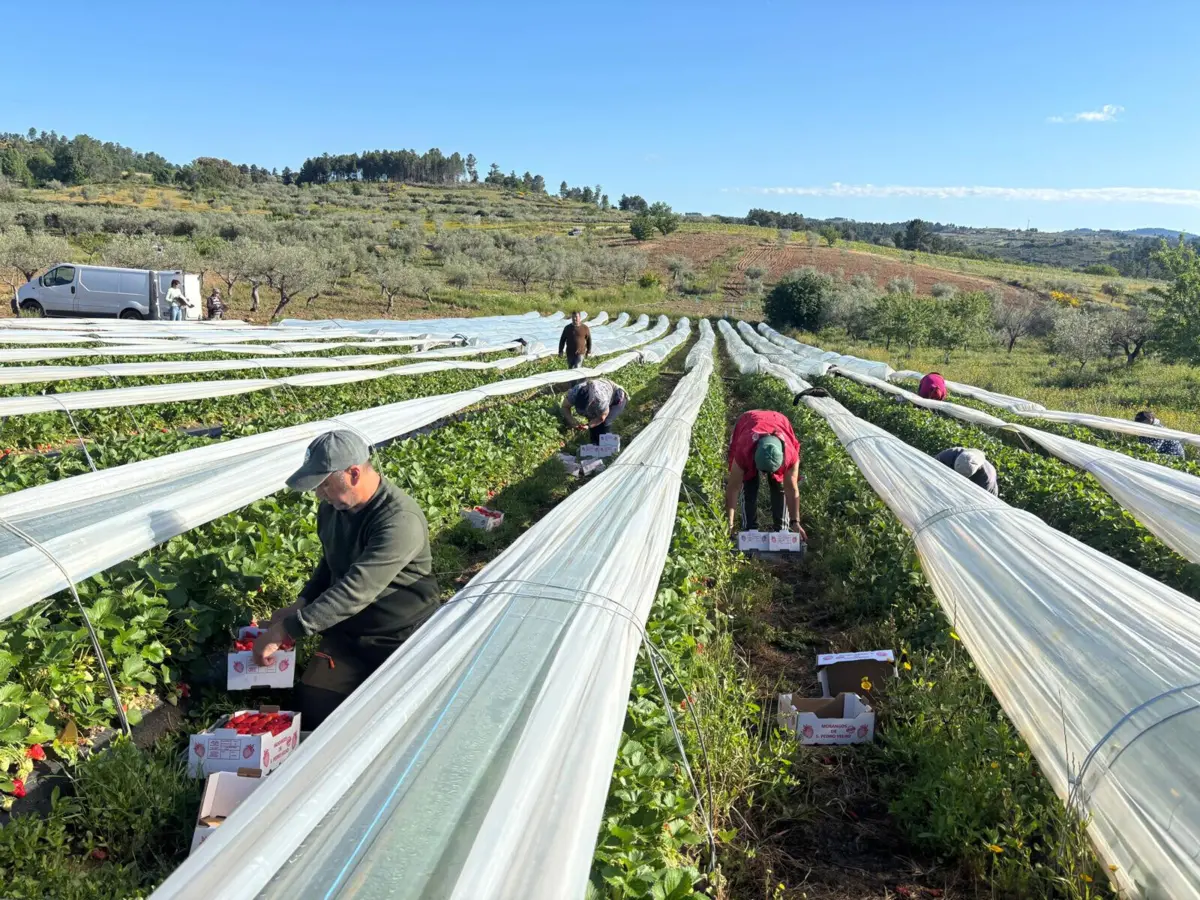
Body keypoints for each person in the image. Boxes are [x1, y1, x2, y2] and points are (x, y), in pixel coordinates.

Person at [253, 430, 439, 729]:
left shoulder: (399, 520)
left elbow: (355, 590)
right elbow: (330, 562)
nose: (319, 494)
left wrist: (285, 631)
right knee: (312, 713)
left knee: (397, 722)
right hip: (350, 633)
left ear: (353, 473)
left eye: (324, 485)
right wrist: (301, 602)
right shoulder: (333, 508)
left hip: (401, 633)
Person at [726, 410, 806, 538]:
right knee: (749, 483)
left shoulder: (790, 456)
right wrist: (729, 524)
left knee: (779, 485)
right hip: (748, 420)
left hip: (779, 420)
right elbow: (733, 487)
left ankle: (782, 531)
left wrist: (795, 522)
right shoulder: (744, 449)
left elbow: (791, 488)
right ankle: (749, 529)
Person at [562, 377, 628, 444]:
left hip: (617, 397)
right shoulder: (574, 393)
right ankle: (594, 447)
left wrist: (588, 425)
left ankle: (608, 447)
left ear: (592, 402)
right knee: (592, 420)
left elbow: (602, 417)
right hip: (601, 391)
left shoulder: (600, 399)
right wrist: (571, 421)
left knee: (605, 423)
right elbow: (565, 407)